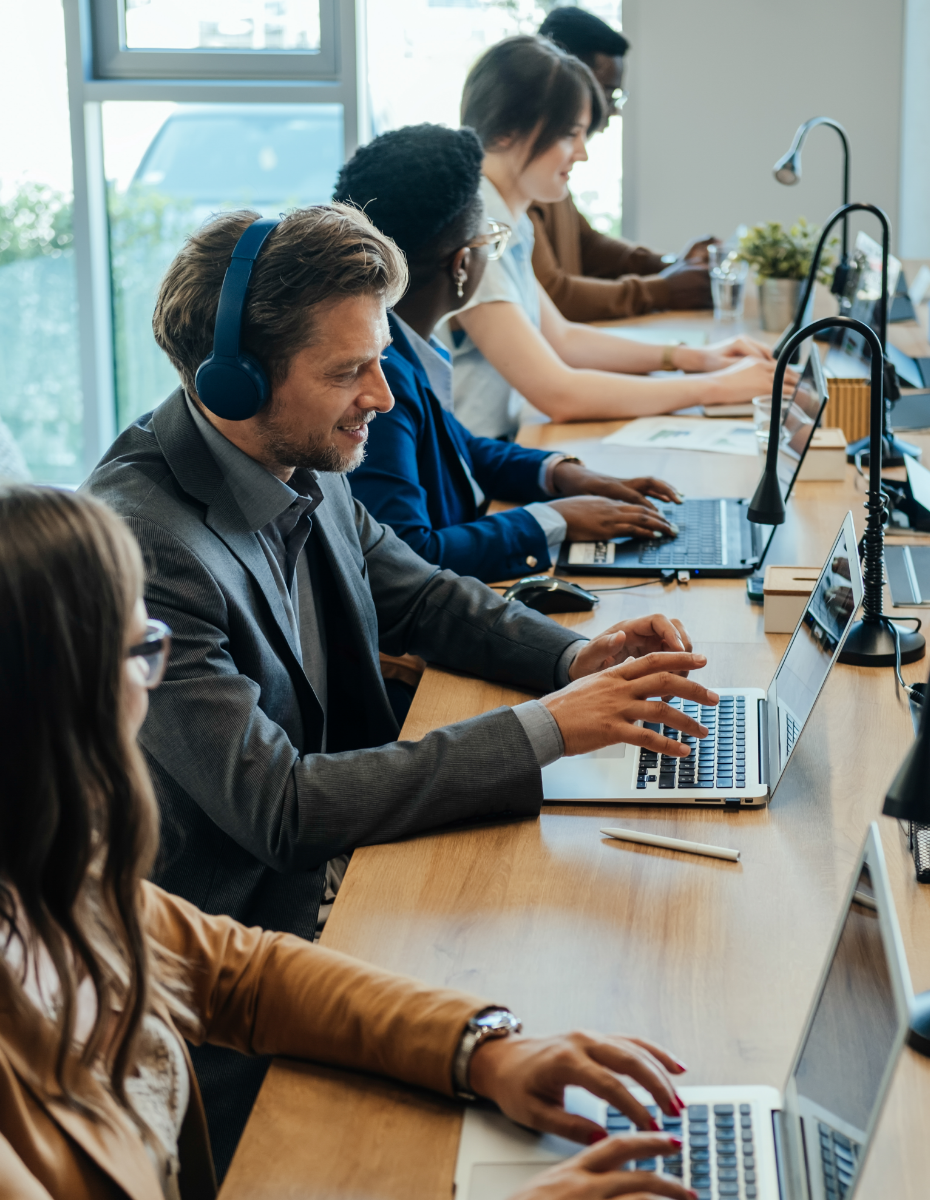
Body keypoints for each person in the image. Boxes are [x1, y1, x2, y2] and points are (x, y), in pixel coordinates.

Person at [83, 202, 719, 1174]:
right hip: (249, 962)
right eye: (349, 371)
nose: (381, 395)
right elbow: (281, 808)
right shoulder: (146, 546)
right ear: (234, 379)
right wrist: (549, 728)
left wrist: (572, 660)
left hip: (353, 882)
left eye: (377, 360)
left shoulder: (302, 450)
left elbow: (417, 594)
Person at [0, 483, 698, 1200]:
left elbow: (245, 977)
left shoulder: (50, 873)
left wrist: (485, 1049)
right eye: (140, 650)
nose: (150, 687)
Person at [337, 123, 684, 583]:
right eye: (490, 242)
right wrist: (555, 519)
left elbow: (460, 449)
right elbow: (408, 556)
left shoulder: (404, 342)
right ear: (462, 265)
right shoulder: (382, 379)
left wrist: (559, 473)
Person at [448, 35, 795, 440]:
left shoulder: (508, 219)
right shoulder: (477, 231)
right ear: (508, 130)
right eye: (569, 134)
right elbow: (560, 394)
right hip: (471, 464)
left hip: (496, 445)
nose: (582, 153)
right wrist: (717, 387)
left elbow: (564, 338)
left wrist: (697, 358)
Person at [534, 6, 714, 322]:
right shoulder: (524, 178)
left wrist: (670, 265)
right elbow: (553, 295)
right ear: (570, 81)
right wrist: (663, 289)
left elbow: (586, 246)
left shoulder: (550, 171)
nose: (614, 109)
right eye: (608, 92)